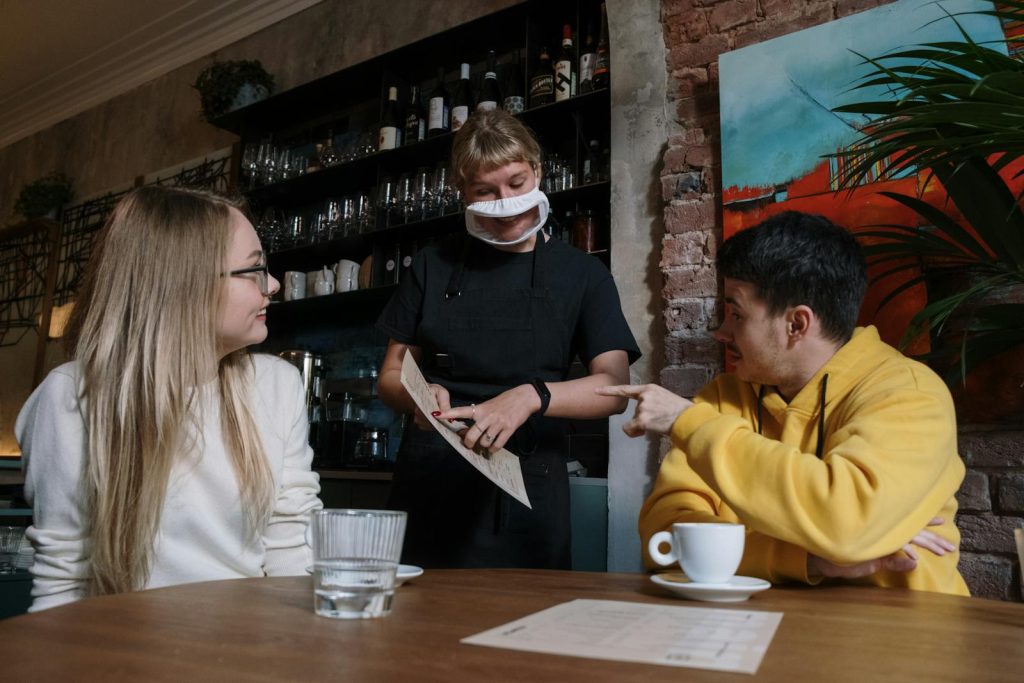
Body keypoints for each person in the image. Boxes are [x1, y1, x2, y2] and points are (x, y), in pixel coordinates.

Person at [599, 211, 968, 595]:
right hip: (753, 630)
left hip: (905, 636)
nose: (722, 332)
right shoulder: (725, 398)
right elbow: (664, 539)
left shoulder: (910, 393)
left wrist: (690, 423)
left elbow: (846, 522)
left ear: (796, 324)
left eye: (737, 314)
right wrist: (810, 558)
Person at [15, 185, 323, 612]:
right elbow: (63, 579)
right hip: (121, 654)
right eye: (253, 269)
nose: (272, 284)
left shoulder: (278, 385)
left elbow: (291, 546)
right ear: (186, 285)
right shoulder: (70, 397)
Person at [376, 109, 640, 569]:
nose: (507, 202)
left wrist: (530, 397)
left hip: (529, 485)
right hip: (432, 478)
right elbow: (391, 376)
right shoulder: (432, 265)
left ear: (537, 171)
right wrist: (417, 398)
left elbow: (614, 387)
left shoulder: (583, 275)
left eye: (517, 183)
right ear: (463, 193)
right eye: (486, 191)